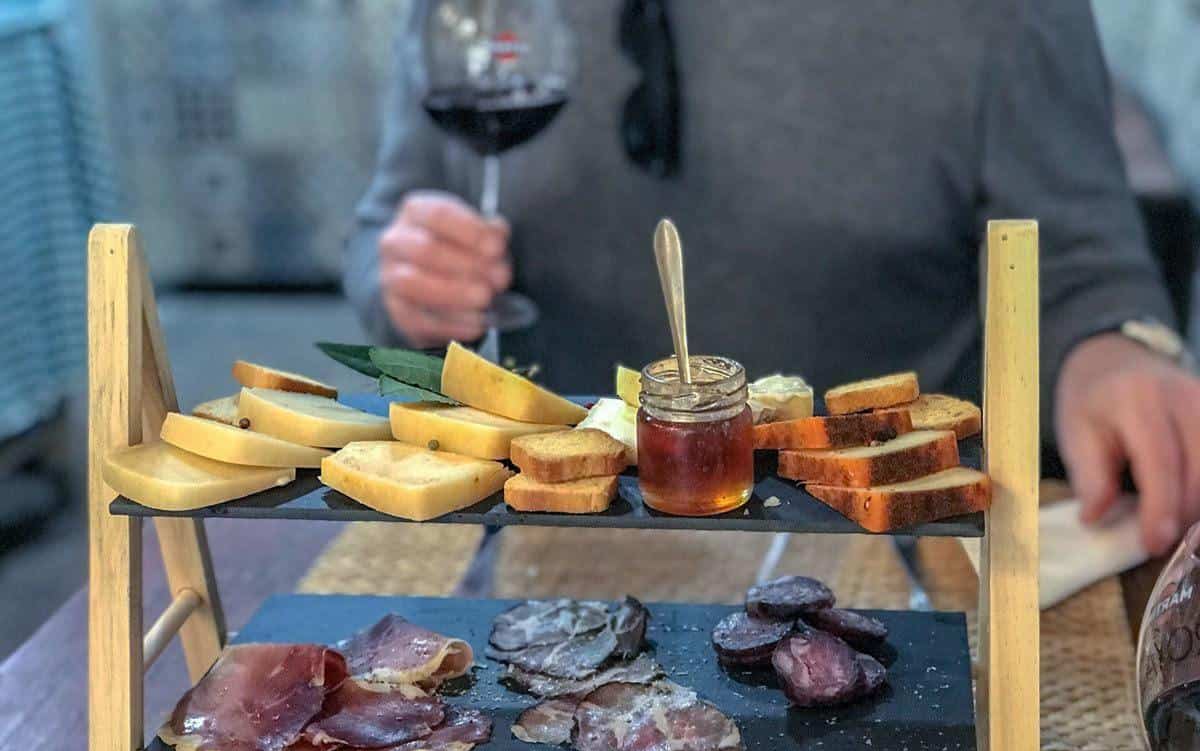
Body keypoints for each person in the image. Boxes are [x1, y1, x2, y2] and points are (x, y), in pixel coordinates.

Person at [344, 0, 1200, 556]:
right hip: (556, 532)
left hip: (886, 547)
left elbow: (1086, 271)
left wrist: (1117, 351)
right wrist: (404, 281)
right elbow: (383, 233)